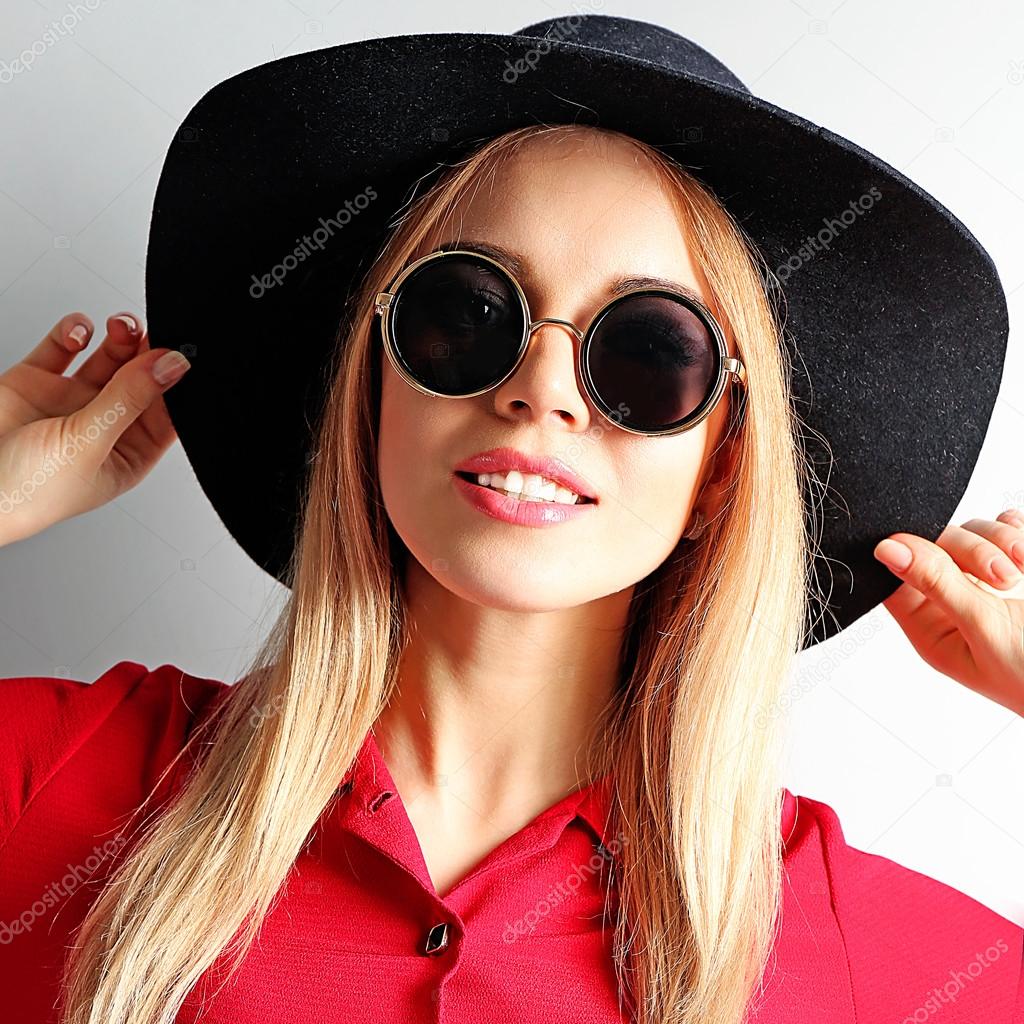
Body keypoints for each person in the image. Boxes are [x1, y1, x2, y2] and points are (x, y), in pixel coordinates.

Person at [1, 14, 1022, 1024]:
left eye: (650, 353)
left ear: (721, 470)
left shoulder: (844, 944)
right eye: (464, 315)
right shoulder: (63, 782)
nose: (540, 390)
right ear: (372, 393)